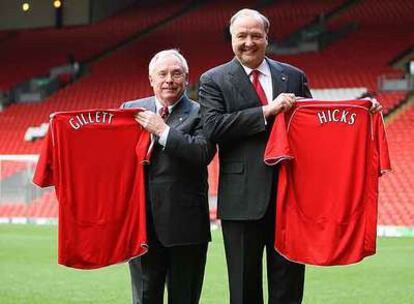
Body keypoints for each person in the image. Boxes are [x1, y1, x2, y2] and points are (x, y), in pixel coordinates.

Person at [198, 8, 382, 304]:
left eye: (256, 35)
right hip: (242, 201)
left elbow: (316, 125)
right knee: (244, 289)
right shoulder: (213, 79)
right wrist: (267, 110)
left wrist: (360, 110)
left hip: (291, 198)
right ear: (231, 39)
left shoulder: (293, 76)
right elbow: (214, 127)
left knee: (289, 285)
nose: (249, 42)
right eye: (241, 36)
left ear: (267, 38)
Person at [121, 49, 216, 304]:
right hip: (142, 228)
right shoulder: (129, 110)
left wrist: (162, 131)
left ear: (187, 79)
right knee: (144, 298)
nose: (169, 80)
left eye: (176, 74)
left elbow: (202, 152)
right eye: (162, 74)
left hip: (186, 228)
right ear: (151, 79)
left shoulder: (202, 112)